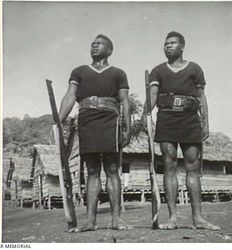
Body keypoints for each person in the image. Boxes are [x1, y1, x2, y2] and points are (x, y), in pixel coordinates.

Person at [143, 31, 220, 230]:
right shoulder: (158, 71)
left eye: (173, 43)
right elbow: (152, 96)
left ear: (182, 46)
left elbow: (202, 98)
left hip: (190, 120)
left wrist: (206, 122)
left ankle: (198, 219)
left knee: (192, 167)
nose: (168, 46)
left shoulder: (194, 68)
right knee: (169, 166)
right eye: (166, 43)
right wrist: (145, 115)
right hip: (166, 118)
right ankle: (173, 219)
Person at [59, 34, 131, 232]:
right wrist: (58, 120)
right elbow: (70, 96)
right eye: (92, 44)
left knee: (112, 168)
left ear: (109, 50)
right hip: (87, 120)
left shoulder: (118, 73)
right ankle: (90, 221)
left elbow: (124, 100)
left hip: (110, 120)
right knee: (91, 170)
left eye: (99, 44)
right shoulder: (79, 71)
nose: (94, 46)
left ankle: (116, 220)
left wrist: (128, 126)